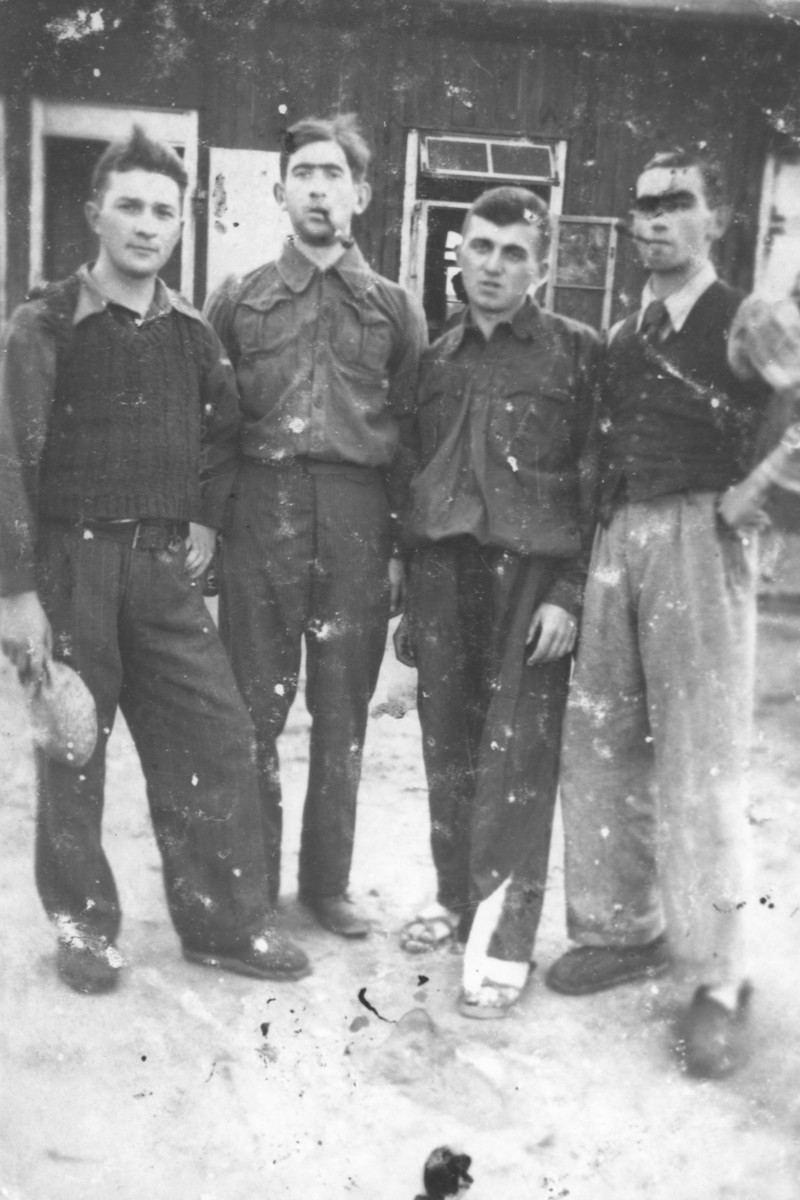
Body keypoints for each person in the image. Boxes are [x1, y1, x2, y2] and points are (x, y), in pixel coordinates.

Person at [0, 126, 310, 994]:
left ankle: (223, 923)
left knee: (215, 734)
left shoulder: (189, 333)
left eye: (163, 211)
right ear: (95, 212)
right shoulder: (45, 324)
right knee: (72, 750)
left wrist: (203, 521)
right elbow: (6, 462)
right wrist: (16, 593)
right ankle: (85, 931)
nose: (146, 225)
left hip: (161, 572)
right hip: (72, 569)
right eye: (129, 206)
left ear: (182, 225)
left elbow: (224, 431)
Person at [545, 150, 770, 1077]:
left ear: (715, 221)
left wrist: (759, 491)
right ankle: (621, 927)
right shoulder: (628, 331)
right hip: (619, 538)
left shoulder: (745, 321)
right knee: (599, 745)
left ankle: (721, 980)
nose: (652, 222)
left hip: (698, 539)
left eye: (676, 205)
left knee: (698, 763)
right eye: (642, 207)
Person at [204, 115, 427, 937]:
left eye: (334, 173)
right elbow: (214, 425)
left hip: (360, 521)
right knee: (251, 708)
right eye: (304, 172)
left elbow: (412, 436)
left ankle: (326, 883)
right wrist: (210, 532)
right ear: (280, 191)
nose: (319, 187)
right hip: (262, 515)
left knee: (343, 713)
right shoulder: (239, 299)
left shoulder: (396, 309)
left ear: (362, 194)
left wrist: (401, 549)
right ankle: (252, 883)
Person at [395, 187, 600, 1018]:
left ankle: (506, 944)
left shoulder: (576, 353)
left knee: (516, 762)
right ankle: (453, 898)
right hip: (446, 574)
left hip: (529, 582)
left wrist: (569, 592)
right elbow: (416, 472)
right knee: (448, 747)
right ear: (459, 252)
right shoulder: (436, 358)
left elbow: (597, 480)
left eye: (514, 253)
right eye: (480, 247)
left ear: (541, 265)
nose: (492, 265)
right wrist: (410, 590)